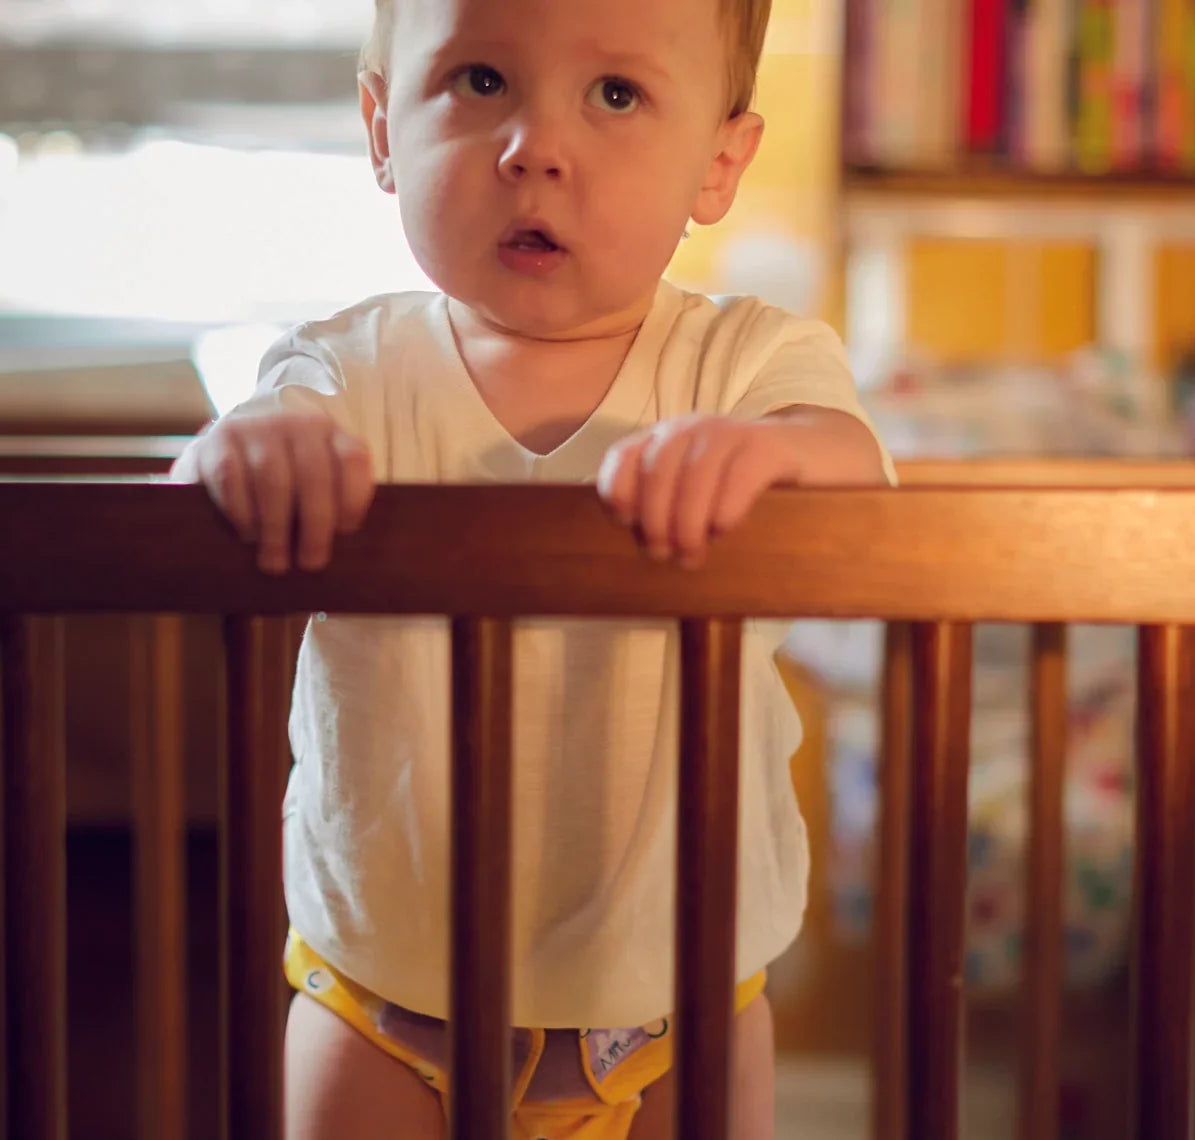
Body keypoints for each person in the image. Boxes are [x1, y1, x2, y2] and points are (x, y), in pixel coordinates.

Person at [172, 0, 893, 1134]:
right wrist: (255, 446)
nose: (534, 148)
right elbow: (207, 491)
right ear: (379, 126)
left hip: (677, 1004)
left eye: (615, 95)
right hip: (384, 1000)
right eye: (479, 81)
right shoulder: (344, 372)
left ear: (718, 161)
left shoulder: (749, 362)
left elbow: (861, 494)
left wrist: (773, 456)